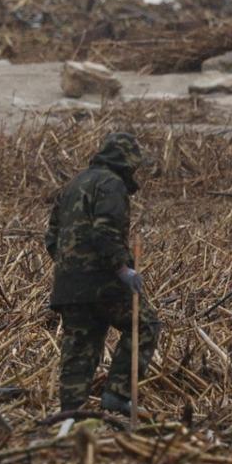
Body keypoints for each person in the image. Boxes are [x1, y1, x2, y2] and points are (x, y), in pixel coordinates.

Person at [44, 131, 161, 414]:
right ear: (126, 162)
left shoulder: (73, 185)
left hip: (68, 285)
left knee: (79, 346)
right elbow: (105, 230)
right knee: (144, 325)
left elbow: (51, 238)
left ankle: (72, 413)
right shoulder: (112, 184)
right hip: (103, 280)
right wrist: (122, 269)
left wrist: (71, 268)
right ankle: (119, 394)